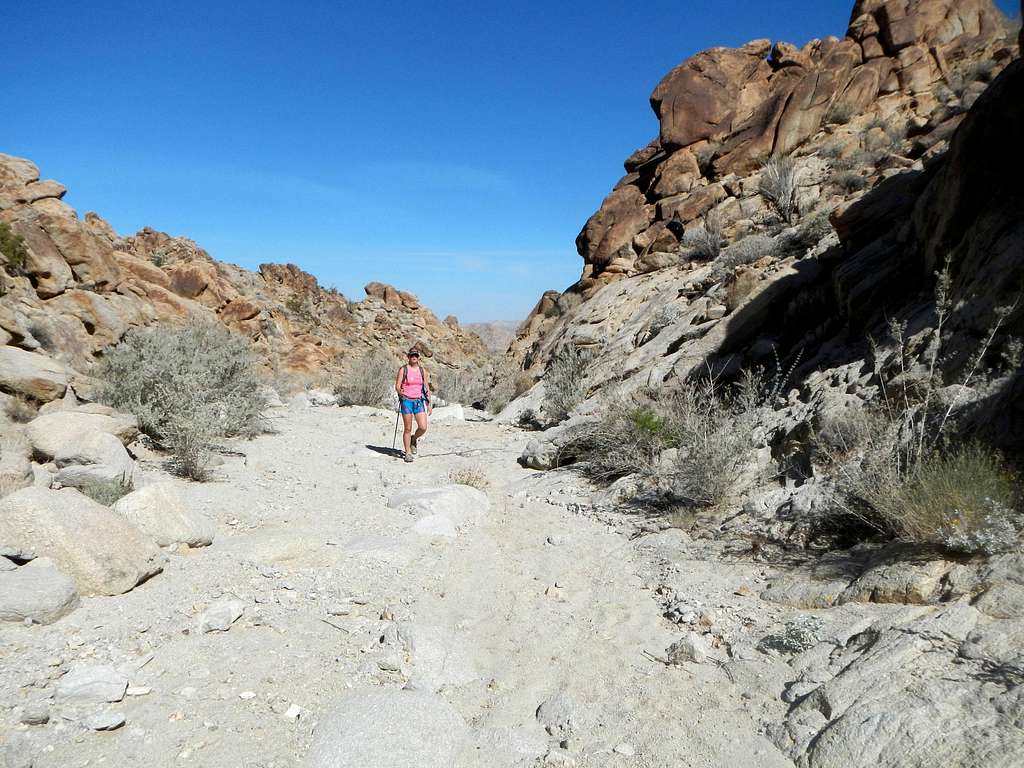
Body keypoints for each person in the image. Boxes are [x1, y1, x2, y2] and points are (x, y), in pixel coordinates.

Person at [395, 347, 432, 462]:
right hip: (406, 401)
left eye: (416, 355)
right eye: (412, 355)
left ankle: (414, 439)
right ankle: (408, 453)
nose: (414, 357)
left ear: (419, 357)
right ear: (408, 357)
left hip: (419, 401)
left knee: (423, 427)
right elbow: (397, 385)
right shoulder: (403, 370)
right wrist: (399, 391)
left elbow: (426, 387)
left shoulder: (423, 371)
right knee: (407, 428)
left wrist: (429, 403)